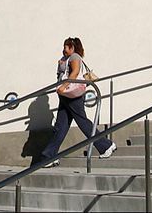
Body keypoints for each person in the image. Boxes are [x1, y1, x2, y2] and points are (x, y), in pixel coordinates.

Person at [37, 37, 116, 167]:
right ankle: (49, 156)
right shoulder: (66, 58)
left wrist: (63, 87)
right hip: (65, 96)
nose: (63, 49)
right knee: (60, 127)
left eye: (66, 47)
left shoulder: (74, 57)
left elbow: (74, 73)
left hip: (72, 95)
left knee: (83, 123)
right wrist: (61, 64)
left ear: (72, 47)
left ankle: (106, 145)